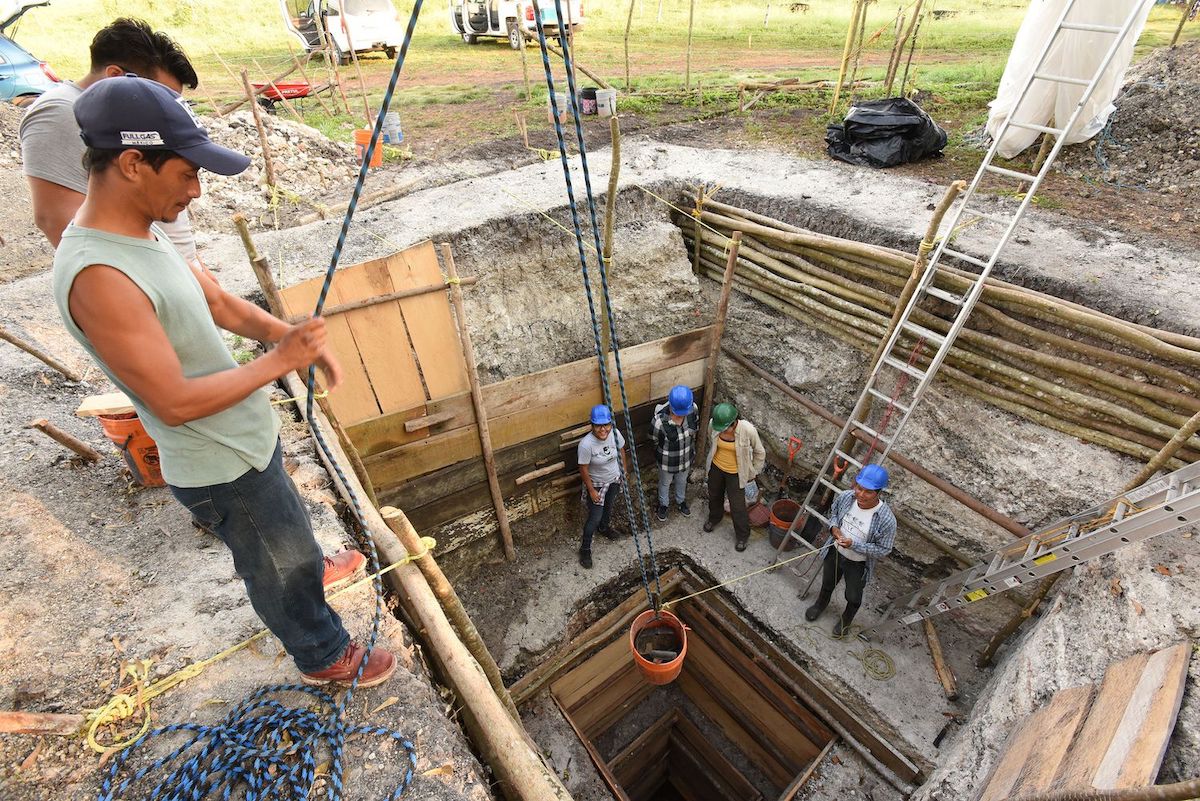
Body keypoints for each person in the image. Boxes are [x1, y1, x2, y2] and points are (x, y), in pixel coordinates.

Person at [52, 74, 395, 688]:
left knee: (288, 535)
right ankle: (323, 655)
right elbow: (173, 404)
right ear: (134, 163)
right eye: (187, 173)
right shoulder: (99, 275)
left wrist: (289, 337)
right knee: (274, 565)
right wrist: (279, 361)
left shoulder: (141, 231)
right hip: (218, 465)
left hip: (242, 441)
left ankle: (307, 565)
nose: (197, 189)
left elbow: (217, 302)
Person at [20, 18, 201, 262]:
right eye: (157, 97)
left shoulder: (122, 121)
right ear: (115, 76)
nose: (164, 110)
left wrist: (195, 277)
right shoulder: (62, 112)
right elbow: (56, 218)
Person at [805, 464, 897, 637]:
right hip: (835, 552)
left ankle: (846, 619)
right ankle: (820, 605)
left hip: (857, 563)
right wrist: (834, 529)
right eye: (859, 488)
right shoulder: (846, 497)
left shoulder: (886, 519)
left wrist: (854, 545)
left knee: (853, 596)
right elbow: (833, 514)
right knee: (827, 583)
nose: (861, 495)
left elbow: (883, 549)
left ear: (879, 493)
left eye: (868, 492)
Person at [703, 402, 765, 552]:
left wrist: (753, 472)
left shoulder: (748, 430)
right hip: (716, 467)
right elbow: (711, 439)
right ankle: (714, 518)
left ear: (734, 422)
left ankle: (743, 535)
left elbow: (760, 452)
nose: (723, 432)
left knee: (737, 505)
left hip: (737, 473)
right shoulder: (714, 424)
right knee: (714, 495)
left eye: (726, 429)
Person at [577, 404, 628, 569]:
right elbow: (583, 468)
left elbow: (621, 450)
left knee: (609, 506)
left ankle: (604, 528)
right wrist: (591, 490)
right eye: (598, 425)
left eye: (606, 425)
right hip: (597, 484)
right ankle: (585, 549)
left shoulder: (615, 434)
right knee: (594, 517)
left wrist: (624, 471)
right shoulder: (586, 445)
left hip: (613, 479)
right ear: (592, 425)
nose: (603, 429)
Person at [651, 384, 698, 522]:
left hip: (685, 459)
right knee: (665, 483)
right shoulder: (659, 421)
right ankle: (663, 504)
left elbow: (695, 426)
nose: (681, 416)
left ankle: (680, 501)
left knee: (682, 481)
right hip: (666, 463)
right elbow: (654, 439)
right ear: (671, 406)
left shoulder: (693, 409)